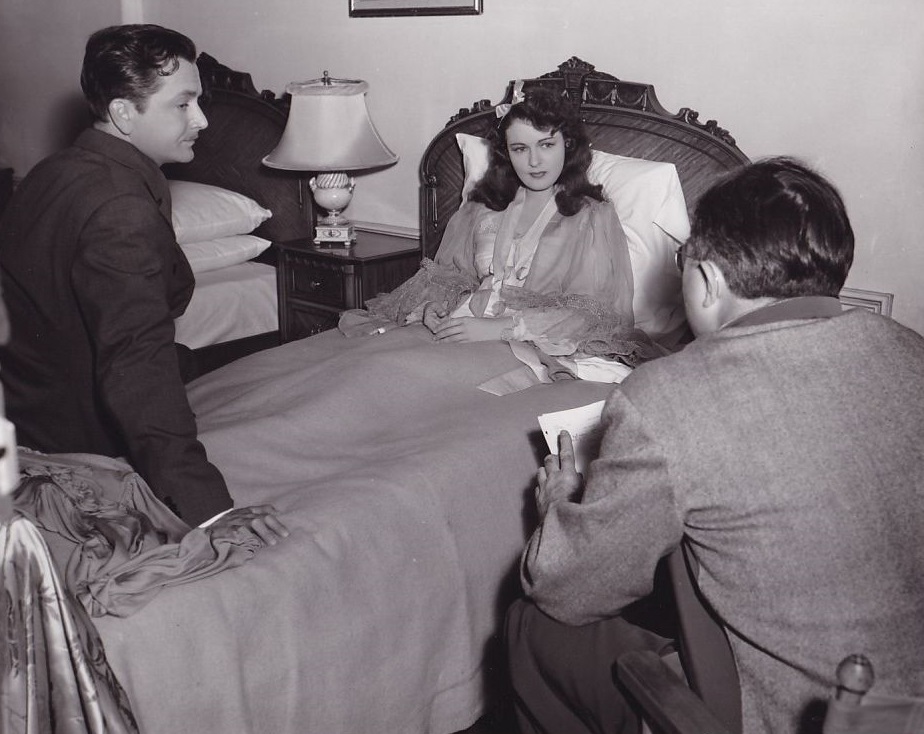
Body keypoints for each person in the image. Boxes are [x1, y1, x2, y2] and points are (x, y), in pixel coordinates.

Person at [506, 157, 924, 734]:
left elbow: (568, 589)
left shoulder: (665, 396)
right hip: (905, 711)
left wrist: (562, 503)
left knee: (534, 623)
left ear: (707, 280)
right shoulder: (911, 352)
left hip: (801, 717)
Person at [0, 24, 287, 543]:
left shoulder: (53, 171)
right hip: (76, 437)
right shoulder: (121, 209)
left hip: (24, 410)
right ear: (123, 112)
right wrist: (209, 511)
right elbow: (136, 364)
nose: (202, 119)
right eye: (183, 104)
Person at [344, 88, 658, 377]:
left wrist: (498, 330)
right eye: (520, 149)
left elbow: (591, 314)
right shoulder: (481, 208)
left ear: (568, 145)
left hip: (529, 346)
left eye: (546, 145)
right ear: (507, 153)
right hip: (459, 329)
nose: (534, 161)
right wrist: (434, 309)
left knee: (408, 379)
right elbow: (450, 278)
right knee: (368, 365)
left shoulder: (591, 217)